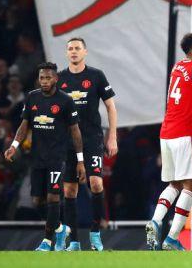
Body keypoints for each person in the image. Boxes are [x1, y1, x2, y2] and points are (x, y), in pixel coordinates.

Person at [146, 32, 192, 250]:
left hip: (167, 132)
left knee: (175, 184)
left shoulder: (178, 67)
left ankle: (155, 220)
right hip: (185, 134)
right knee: (191, 184)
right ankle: (171, 238)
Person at [4, 62, 86, 251]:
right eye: (42, 77)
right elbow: (24, 125)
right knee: (37, 201)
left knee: (53, 198)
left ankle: (47, 241)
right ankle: (59, 228)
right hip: (37, 158)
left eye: (48, 77)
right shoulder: (32, 98)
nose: (45, 81)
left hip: (57, 157)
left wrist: (80, 160)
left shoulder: (65, 100)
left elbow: (75, 131)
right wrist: (14, 146)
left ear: (56, 79)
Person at [57, 37, 118, 251]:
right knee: (70, 191)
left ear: (85, 52)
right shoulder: (59, 79)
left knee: (96, 184)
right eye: (70, 49)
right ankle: (74, 241)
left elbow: (111, 107)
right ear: (67, 54)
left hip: (92, 139)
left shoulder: (96, 76)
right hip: (68, 143)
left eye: (77, 48)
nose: (73, 52)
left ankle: (95, 234)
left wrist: (112, 137)